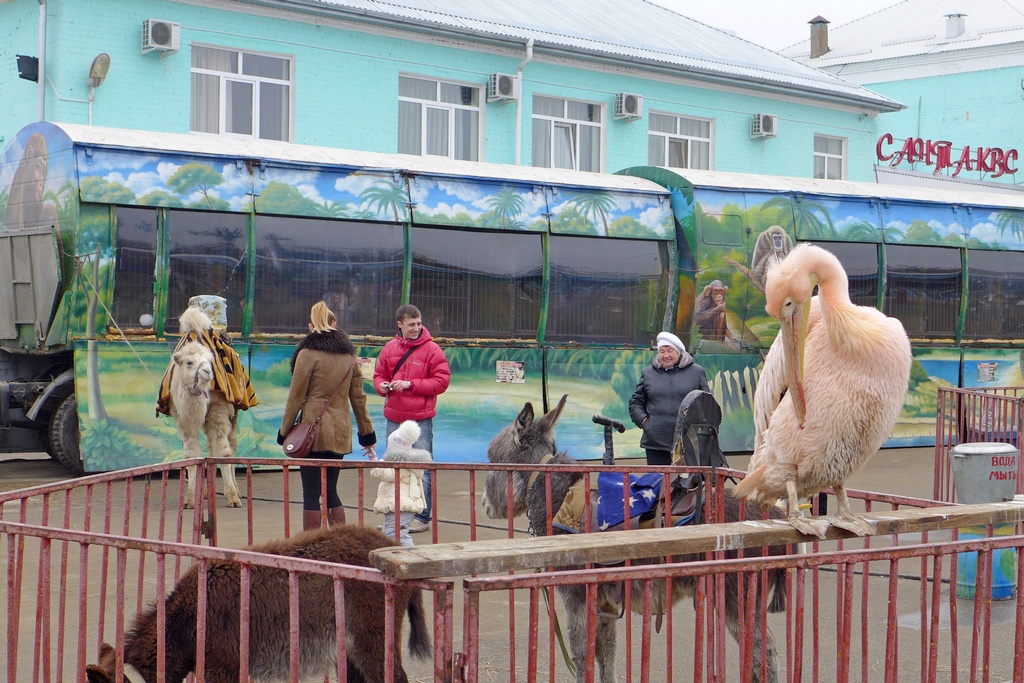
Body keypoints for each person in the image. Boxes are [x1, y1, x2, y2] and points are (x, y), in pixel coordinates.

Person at [278, 301, 376, 531]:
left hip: (311, 432)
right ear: (334, 324)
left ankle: (311, 547)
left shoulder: (307, 353)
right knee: (331, 491)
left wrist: (284, 432)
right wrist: (367, 435)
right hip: (339, 433)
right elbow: (359, 399)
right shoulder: (349, 357)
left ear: (311, 326)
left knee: (311, 494)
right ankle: (338, 541)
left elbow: (295, 397)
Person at [373, 304, 451, 534]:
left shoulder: (433, 350)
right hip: (394, 419)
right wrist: (383, 387)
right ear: (400, 325)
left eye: (419, 324)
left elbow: (442, 381)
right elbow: (379, 375)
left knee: (423, 470)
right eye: (411, 325)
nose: (417, 328)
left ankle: (422, 517)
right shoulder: (389, 349)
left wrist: (410, 385)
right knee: (393, 469)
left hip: (420, 422)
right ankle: (394, 518)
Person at [628, 331, 710, 466]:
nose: (666, 355)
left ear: (679, 352)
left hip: (688, 442)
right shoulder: (648, 373)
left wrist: (699, 431)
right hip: (656, 442)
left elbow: (707, 404)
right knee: (658, 483)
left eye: (670, 350)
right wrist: (645, 423)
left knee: (687, 484)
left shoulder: (697, 372)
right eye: (662, 351)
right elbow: (635, 402)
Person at [368, 420, 432, 546]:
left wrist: (375, 461)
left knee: (397, 535)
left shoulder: (400, 466)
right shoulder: (406, 463)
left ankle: (410, 559)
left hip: (401, 505)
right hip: (398, 505)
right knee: (389, 534)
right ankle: (396, 558)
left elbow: (385, 474)